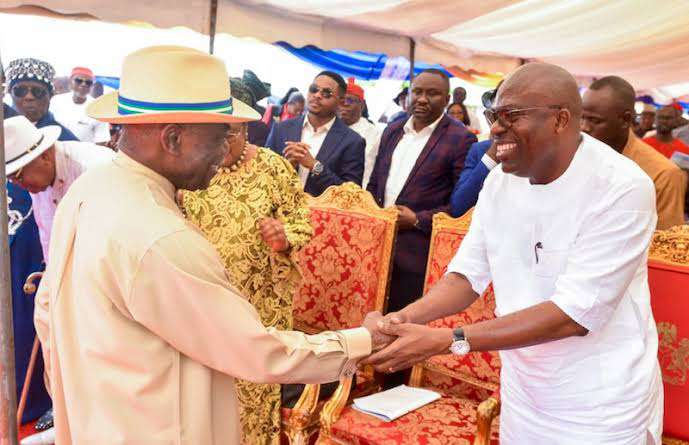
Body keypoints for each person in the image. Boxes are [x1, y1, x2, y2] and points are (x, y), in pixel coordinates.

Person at [33, 45, 387, 445]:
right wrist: (363, 340)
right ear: (173, 138)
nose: (225, 151)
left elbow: (46, 310)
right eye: (220, 137)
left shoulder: (88, 189)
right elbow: (256, 351)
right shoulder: (159, 235)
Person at [365, 63, 663, 444]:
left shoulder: (622, 187)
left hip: (598, 405)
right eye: (494, 116)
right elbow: (466, 277)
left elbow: (573, 315)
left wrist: (448, 340)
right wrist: (400, 320)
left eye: (512, 116)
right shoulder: (499, 182)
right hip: (523, 395)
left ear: (560, 120)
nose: (495, 129)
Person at [180, 80, 313, 445]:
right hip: (202, 303)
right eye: (214, 135)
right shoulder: (190, 168)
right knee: (203, 396)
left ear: (247, 128)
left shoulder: (274, 168)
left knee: (251, 399)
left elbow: (302, 222)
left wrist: (283, 237)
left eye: (231, 134)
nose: (222, 145)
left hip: (259, 306)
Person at [367, 68, 476, 315]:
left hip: (417, 252)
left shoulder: (460, 138)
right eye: (417, 92)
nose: (422, 99)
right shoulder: (392, 130)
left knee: (402, 320)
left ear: (447, 99)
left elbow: (461, 204)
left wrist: (417, 220)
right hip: (376, 246)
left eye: (432, 93)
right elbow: (375, 182)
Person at [582, 76, 687, 229]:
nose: (584, 127)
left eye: (595, 120)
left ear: (626, 120)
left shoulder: (663, 174)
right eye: (581, 118)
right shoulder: (576, 155)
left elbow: (667, 239)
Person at [5, 115, 114, 259]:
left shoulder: (97, 169)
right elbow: (48, 237)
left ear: (44, 157)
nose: (16, 184)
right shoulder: (40, 176)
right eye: (10, 178)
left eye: (17, 176)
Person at [266, 71, 365, 196]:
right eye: (314, 89)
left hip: (319, 208)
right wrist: (286, 166)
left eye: (326, 93)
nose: (317, 95)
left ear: (340, 101)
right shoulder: (281, 128)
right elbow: (263, 173)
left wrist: (315, 166)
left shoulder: (352, 142)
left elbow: (350, 194)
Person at [6, 58, 79, 142]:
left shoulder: (66, 140)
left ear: (50, 96)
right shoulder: (3, 129)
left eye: (38, 91)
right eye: (20, 90)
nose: (29, 97)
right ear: (10, 93)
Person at [339, 77, 382, 189]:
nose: (344, 104)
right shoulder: (328, 128)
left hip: (360, 191)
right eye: (341, 100)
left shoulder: (374, 133)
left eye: (350, 100)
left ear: (362, 105)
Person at [50, 67, 111, 143]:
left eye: (88, 82)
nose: (83, 84)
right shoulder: (56, 101)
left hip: (84, 150)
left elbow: (101, 139)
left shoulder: (98, 108)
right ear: (70, 81)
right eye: (78, 81)